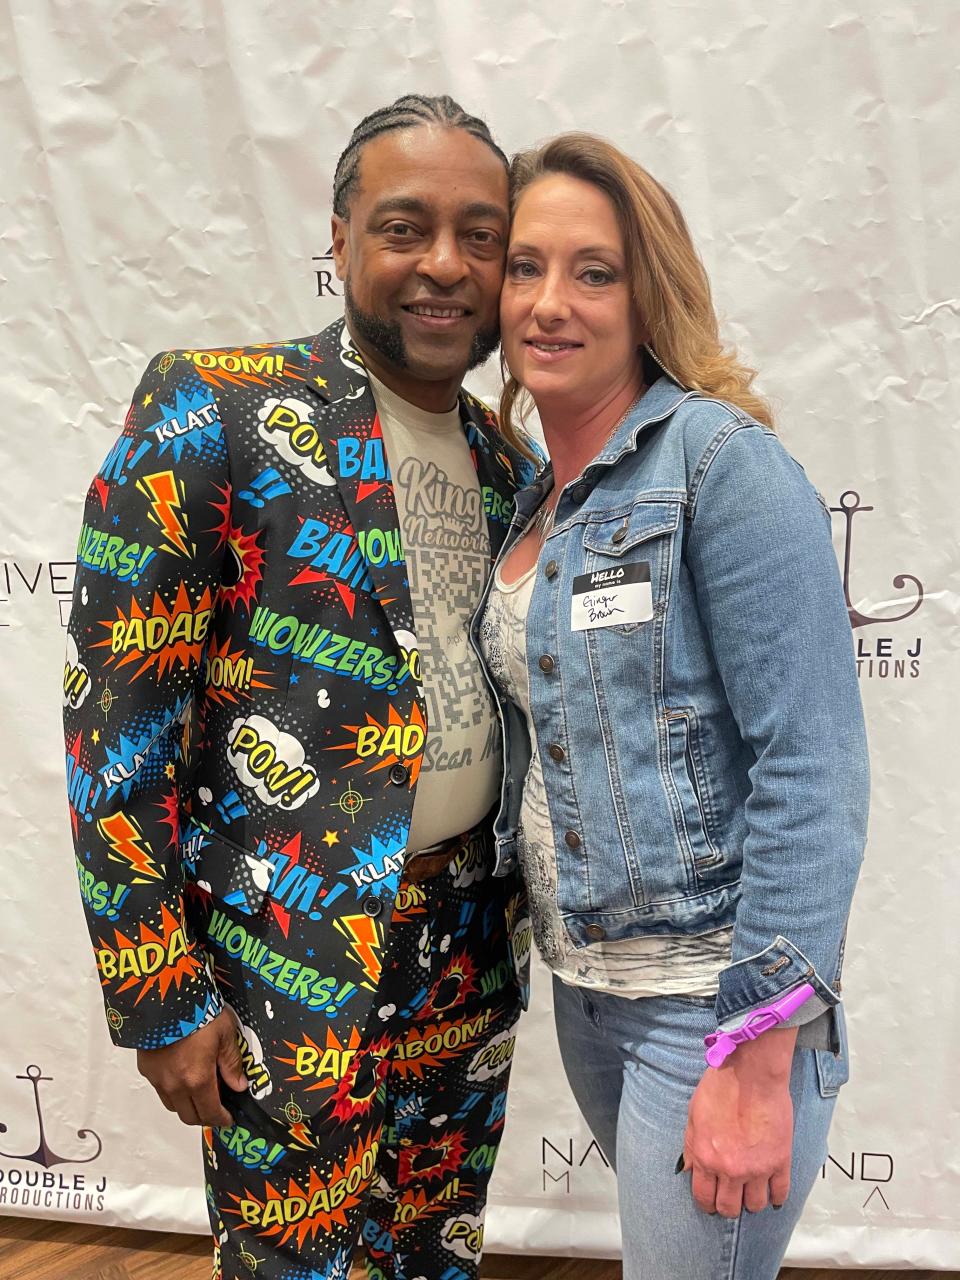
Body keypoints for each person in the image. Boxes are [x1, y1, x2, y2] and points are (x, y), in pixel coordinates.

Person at [62, 94, 539, 1280]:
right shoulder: (215, 406)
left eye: (481, 235)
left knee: (436, 1258)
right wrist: (160, 994)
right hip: (287, 969)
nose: (446, 263)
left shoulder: (513, 463)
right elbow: (117, 723)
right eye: (405, 225)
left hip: (469, 954)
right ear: (339, 241)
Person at [473, 133, 869, 1280]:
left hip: (713, 1011)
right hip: (588, 996)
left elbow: (814, 770)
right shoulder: (534, 498)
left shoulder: (720, 467)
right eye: (527, 266)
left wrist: (751, 1057)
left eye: (594, 271)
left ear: (650, 293)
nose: (551, 302)